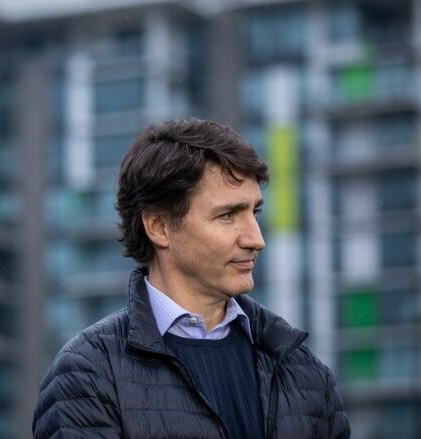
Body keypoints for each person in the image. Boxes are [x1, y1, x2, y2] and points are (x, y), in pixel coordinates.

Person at [33, 118, 350, 438]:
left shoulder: (303, 371)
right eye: (227, 215)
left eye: (254, 213)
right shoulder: (88, 374)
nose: (256, 239)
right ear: (159, 227)